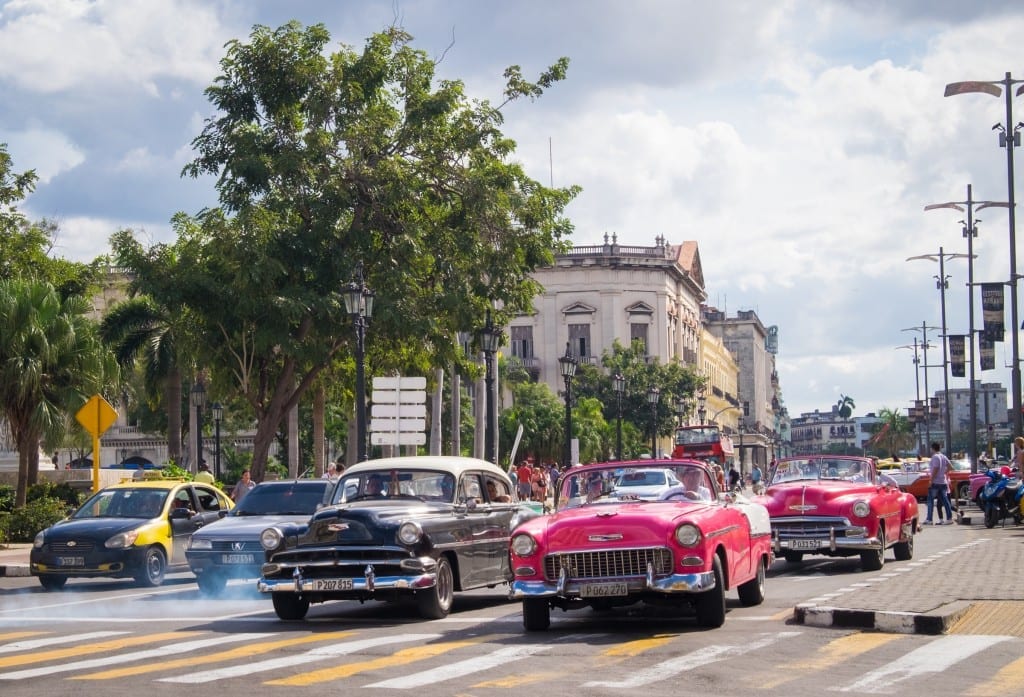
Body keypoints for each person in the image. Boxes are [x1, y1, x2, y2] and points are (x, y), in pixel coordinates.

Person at [926, 441, 953, 525]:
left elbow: (935, 468)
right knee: (945, 501)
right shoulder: (943, 457)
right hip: (943, 481)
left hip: (935, 482)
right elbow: (951, 467)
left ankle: (929, 519)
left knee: (930, 500)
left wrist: (931, 480)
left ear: (932, 448)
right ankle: (949, 518)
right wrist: (944, 473)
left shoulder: (935, 457)